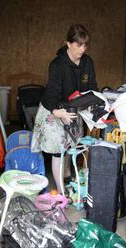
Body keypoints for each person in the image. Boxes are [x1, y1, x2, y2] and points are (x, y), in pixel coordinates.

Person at [31, 24, 98, 194]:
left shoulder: (87, 62)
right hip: (53, 108)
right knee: (58, 148)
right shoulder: (57, 65)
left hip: (73, 107)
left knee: (71, 144)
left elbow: (92, 87)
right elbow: (53, 91)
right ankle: (61, 191)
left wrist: (96, 103)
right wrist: (56, 112)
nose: (82, 49)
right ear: (68, 44)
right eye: (78, 45)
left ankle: (67, 174)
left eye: (85, 45)